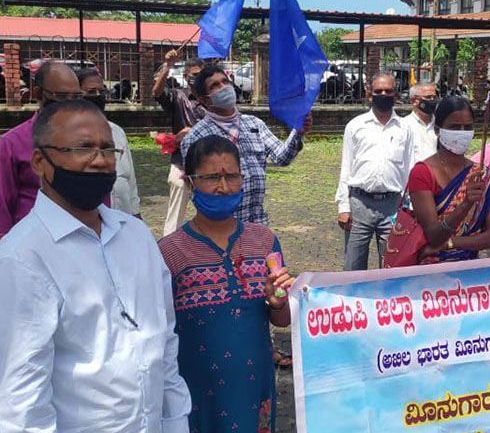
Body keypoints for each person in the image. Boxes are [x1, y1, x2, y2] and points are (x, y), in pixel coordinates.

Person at [0, 99, 191, 433]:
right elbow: (16, 400)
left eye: (107, 149)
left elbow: (162, 340)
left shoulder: (135, 237)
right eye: (81, 148)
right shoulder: (22, 261)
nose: (98, 161)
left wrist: (175, 424)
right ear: (40, 162)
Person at [157, 135, 294, 433]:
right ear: (190, 183)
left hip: (253, 395)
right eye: (211, 177)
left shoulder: (265, 242)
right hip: (194, 400)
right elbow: (158, 335)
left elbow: (281, 318)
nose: (222, 186)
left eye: (231, 176)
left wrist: (277, 298)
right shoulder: (168, 254)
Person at [180, 63, 312, 226]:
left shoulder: (254, 124)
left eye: (225, 81)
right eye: (215, 86)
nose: (223, 87)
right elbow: (196, 189)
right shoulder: (196, 137)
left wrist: (298, 132)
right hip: (221, 228)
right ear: (204, 99)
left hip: (257, 224)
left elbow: (282, 157)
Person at [0, 60, 85, 247]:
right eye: (62, 96)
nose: (71, 104)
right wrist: (8, 251)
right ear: (38, 94)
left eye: (76, 97)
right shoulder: (11, 144)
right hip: (30, 245)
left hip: (81, 242)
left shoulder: (89, 141)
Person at [405, 96, 490, 264]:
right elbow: (433, 235)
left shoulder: (482, 175)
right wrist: (465, 204)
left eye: (468, 127)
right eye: (455, 127)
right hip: (431, 268)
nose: (462, 132)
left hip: (469, 269)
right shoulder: (422, 173)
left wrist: (449, 244)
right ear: (437, 130)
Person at [336, 73, 414, 270]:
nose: (383, 95)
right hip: (359, 203)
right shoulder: (355, 126)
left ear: (396, 95)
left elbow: (410, 167)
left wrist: (410, 207)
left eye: (388, 91)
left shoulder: (405, 128)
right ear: (369, 94)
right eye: (379, 91)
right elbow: (346, 167)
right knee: (353, 267)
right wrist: (343, 207)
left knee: (392, 266)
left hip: (393, 205)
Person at [76, 67, 141, 217]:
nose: (97, 96)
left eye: (101, 91)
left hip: (123, 215)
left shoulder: (116, 131)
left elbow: (130, 178)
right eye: (91, 92)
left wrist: (136, 212)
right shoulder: (68, 135)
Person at [153, 53, 206, 235]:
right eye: (194, 75)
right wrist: (168, 66)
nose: (197, 79)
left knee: (211, 208)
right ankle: (168, 244)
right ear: (185, 77)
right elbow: (157, 93)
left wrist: (192, 131)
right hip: (181, 161)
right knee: (175, 211)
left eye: (201, 75)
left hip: (208, 160)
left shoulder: (210, 100)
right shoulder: (178, 97)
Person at [405, 82, 439, 163]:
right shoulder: (404, 125)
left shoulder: (441, 125)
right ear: (414, 100)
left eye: (434, 97)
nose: (432, 101)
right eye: (428, 97)